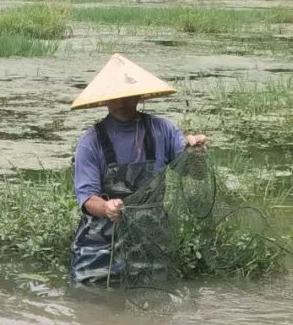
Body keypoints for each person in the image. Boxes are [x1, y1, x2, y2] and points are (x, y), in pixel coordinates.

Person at [69, 53, 207, 284]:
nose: (122, 102)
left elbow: (197, 174)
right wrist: (107, 207)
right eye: (116, 97)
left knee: (155, 301)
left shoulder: (163, 129)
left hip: (150, 239)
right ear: (105, 99)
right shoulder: (90, 141)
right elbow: (86, 197)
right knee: (91, 302)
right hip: (101, 245)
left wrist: (196, 154)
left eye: (129, 96)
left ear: (140, 96)